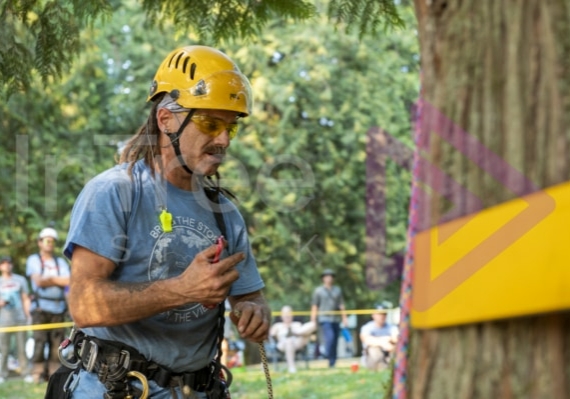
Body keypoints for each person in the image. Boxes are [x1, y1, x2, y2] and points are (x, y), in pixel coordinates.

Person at [52, 45, 271, 399]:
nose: (224, 140)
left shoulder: (224, 213)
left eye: (231, 127)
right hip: (118, 389)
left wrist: (254, 313)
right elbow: (83, 304)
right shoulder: (115, 192)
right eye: (210, 123)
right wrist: (182, 290)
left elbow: (250, 296)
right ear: (166, 119)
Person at [25, 227, 70, 383]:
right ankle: (37, 374)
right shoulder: (33, 260)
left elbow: (69, 282)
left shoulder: (60, 262)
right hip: (40, 309)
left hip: (58, 309)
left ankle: (53, 375)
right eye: (46, 240)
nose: (50, 243)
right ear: (40, 242)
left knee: (57, 345)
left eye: (52, 241)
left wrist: (49, 280)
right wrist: (58, 280)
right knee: (39, 341)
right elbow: (38, 281)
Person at [0, 256, 32, 383]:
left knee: (21, 348)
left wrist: (28, 315)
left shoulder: (20, 280)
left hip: (20, 319)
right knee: (4, 348)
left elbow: (25, 298)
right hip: (3, 321)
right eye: (4, 263)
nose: (7, 265)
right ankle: (2, 374)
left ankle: (25, 373)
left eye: (9, 263)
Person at [310, 269, 348, 368]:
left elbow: (341, 305)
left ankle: (332, 362)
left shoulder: (337, 290)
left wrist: (344, 318)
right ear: (323, 278)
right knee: (329, 337)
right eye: (327, 276)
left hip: (335, 319)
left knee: (335, 340)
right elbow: (315, 305)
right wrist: (313, 320)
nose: (329, 278)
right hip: (324, 318)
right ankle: (325, 352)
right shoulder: (318, 291)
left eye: (331, 276)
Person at [269, 305, 316, 373]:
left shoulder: (297, 324)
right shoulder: (277, 326)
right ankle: (292, 367)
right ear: (281, 315)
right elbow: (270, 335)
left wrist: (297, 332)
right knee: (289, 340)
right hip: (282, 344)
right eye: (285, 313)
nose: (287, 315)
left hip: (297, 343)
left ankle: (295, 332)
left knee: (313, 325)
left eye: (289, 313)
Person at [359, 302, 398, 371]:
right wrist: (384, 342)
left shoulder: (392, 327)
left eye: (384, 314)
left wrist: (390, 344)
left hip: (388, 354)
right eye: (379, 314)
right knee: (374, 350)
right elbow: (366, 339)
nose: (382, 316)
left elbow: (396, 338)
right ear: (373, 315)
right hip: (372, 357)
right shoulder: (367, 327)